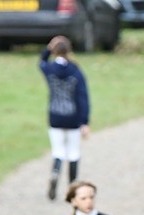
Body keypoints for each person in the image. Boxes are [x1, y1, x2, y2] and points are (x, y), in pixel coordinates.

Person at [39, 36, 90, 201]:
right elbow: (83, 97)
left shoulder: (50, 70)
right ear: (69, 51)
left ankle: (55, 175)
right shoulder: (76, 71)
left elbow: (41, 62)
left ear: (54, 51)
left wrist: (48, 49)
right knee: (74, 153)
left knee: (58, 151)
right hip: (73, 117)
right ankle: (72, 187)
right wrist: (84, 121)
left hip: (55, 116)